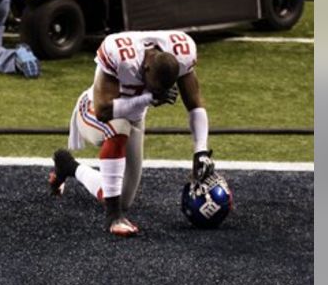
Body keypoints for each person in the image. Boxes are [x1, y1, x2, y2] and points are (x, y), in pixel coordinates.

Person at [48, 31, 214, 236]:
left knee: (121, 197)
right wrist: (147, 99)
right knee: (119, 130)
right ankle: (113, 218)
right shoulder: (120, 55)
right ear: (145, 68)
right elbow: (103, 111)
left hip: (133, 118)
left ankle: (68, 166)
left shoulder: (181, 52)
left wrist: (201, 151)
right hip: (93, 109)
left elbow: (195, 103)